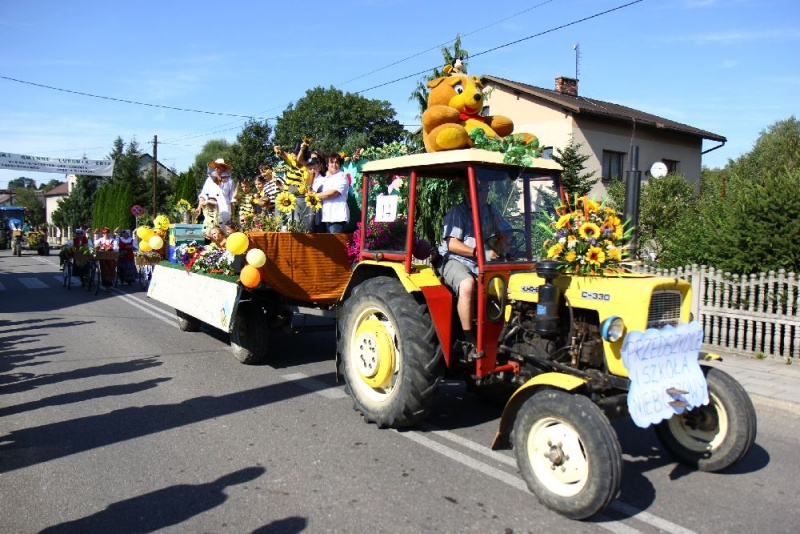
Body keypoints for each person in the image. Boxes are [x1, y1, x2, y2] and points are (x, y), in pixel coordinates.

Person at [438, 182, 511, 358]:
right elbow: (452, 244)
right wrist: (478, 252)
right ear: (468, 190)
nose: (484, 193)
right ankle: (467, 339)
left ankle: (504, 334)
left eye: (486, 189)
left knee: (510, 285)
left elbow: (507, 231)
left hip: (483, 262)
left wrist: (504, 242)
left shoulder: (490, 211)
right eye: (480, 189)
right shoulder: (459, 211)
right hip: (457, 260)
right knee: (467, 285)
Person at [312, 152, 349, 233]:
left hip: (337, 217)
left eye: (337, 162)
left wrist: (315, 196)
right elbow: (312, 191)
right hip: (326, 217)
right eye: (332, 162)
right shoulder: (326, 179)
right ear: (327, 165)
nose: (334, 165)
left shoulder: (342, 176)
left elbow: (334, 193)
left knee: (334, 244)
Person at [198, 158, 236, 225]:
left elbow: (232, 199)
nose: (216, 169)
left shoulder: (229, 181)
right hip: (211, 211)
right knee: (211, 231)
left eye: (218, 167)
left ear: (223, 168)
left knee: (224, 232)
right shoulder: (209, 180)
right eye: (215, 167)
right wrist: (199, 207)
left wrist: (233, 215)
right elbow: (203, 195)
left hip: (225, 211)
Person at [94, 227, 117, 292]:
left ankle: (110, 284)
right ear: (103, 234)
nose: (106, 234)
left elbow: (116, 248)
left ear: (109, 233)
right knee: (104, 271)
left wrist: (111, 248)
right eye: (104, 233)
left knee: (111, 271)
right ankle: (106, 284)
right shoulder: (100, 240)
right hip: (103, 258)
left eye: (107, 233)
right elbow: (95, 245)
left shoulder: (113, 240)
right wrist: (99, 248)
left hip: (111, 258)